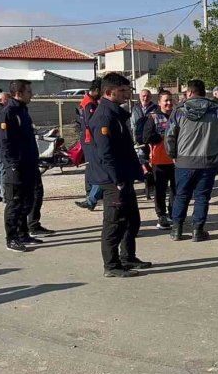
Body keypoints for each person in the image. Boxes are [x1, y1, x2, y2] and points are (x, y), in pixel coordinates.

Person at [87, 73, 149, 276]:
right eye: (122, 91)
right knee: (114, 223)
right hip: (113, 180)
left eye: (128, 90)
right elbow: (106, 153)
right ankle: (111, 266)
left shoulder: (116, 114)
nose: (127, 94)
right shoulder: (104, 116)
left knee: (132, 220)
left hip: (124, 176)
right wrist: (118, 180)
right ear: (108, 92)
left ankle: (127, 257)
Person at [165, 80, 218, 242]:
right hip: (208, 160)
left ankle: (176, 230)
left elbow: (170, 135)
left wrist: (173, 154)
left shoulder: (179, 111)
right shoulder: (216, 109)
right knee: (202, 196)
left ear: (189, 92)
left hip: (184, 160)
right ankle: (197, 230)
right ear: (204, 92)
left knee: (181, 195)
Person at [0, 81, 47, 253]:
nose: (31, 94)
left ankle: (23, 233)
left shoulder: (22, 111)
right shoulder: (8, 113)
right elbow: (5, 142)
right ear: (18, 93)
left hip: (29, 163)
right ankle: (11, 238)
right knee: (15, 203)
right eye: (29, 91)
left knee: (28, 200)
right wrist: (12, 165)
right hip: (16, 166)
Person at [142, 91, 177, 230]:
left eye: (170, 100)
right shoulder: (153, 117)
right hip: (159, 160)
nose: (168, 103)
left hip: (176, 160)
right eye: (166, 100)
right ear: (159, 103)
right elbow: (145, 137)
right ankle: (161, 215)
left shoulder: (178, 116)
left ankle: (174, 214)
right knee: (160, 190)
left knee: (176, 189)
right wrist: (163, 137)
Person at [75, 79, 104, 211]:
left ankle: (91, 198)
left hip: (89, 141)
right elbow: (92, 124)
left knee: (94, 169)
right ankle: (91, 198)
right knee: (99, 170)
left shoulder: (87, 102)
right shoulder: (89, 104)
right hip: (91, 141)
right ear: (97, 90)